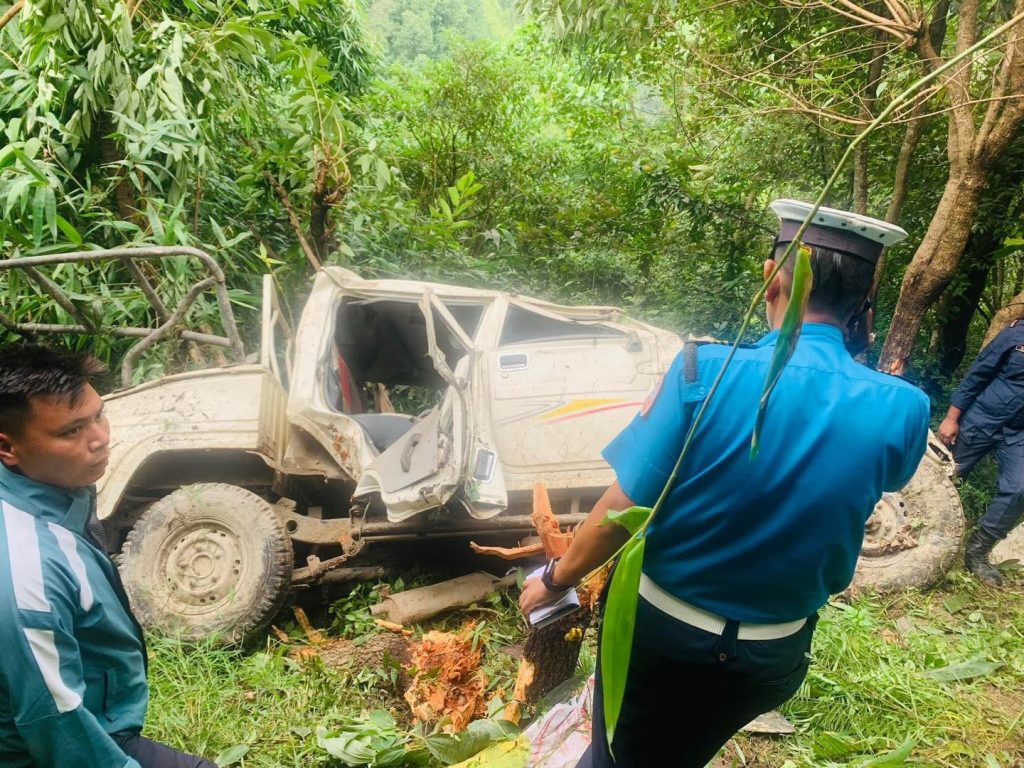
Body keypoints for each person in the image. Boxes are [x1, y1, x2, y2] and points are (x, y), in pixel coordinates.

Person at [519, 199, 931, 768]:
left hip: (661, 639)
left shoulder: (702, 371)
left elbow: (624, 505)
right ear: (864, 305)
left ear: (770, 280)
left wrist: (555, 577)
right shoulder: (905, 407)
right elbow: (880, 476)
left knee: (617, 754)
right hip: (772, 657)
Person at [0, 344, 217, 768]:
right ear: (8, 448)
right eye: (71, 432)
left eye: (99, 414)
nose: (100, 439)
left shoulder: (50, 491)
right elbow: (54, 720)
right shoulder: (30, 569)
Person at [937, 321, 1024, 587]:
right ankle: (911, 532)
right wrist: (952, 418)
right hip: (979, 419)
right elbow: (978, 374)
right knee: (941, 477)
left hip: (1018, 434)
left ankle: (977, 553)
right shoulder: (1015, 334)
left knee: (1020, 487)